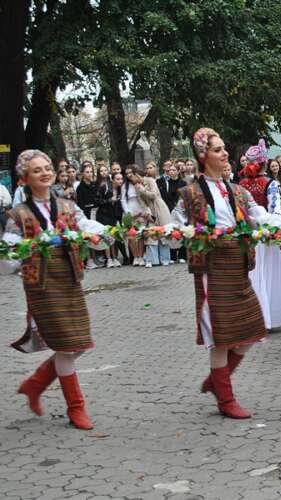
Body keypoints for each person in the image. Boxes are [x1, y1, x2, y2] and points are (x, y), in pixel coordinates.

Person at [171, 128, 274, 419]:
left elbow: (257, 215)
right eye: (218, 150)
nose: (225, 153)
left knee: (252, 331)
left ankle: (218, 381)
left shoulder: (237, 190)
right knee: (221, 336)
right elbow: (176, 227)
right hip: (211, 267)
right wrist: (179, 233)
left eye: (224, 148)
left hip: (238, 265)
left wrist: (279, 223)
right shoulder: (190, 193)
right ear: (203, 156)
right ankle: (226, 399)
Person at [2, 150, 107, 430]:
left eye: (48, 167)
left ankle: (35, 384)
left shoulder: (67, 205)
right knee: (66, 345)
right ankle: (76, 408)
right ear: (25, 178)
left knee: (80, 343)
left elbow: (86, 227)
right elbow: (7, 258)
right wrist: (16, 256)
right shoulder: (19, 213)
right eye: (37, 170)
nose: (45, 173)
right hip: (43, 286)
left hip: (70, 280)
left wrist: (104, 233)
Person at [239, 140, 281, 330]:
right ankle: (269, 317)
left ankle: (252, 315)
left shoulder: (241, 184)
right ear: (264, 163)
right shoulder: (270, 183)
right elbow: (275, 209)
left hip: (248, 234)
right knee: (268, 273)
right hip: (266, 234)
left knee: (252, 274)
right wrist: (276, 228)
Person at [131, 164, 172, 267]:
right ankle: (153, 260)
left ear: (137, 175)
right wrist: (147, 213)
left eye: (132, 176)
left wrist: (142, 190)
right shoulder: (136, 187)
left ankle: (165, 259)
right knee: (150, 234)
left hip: (159, 207)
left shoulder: (149, 180)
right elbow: (142, 203)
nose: (131, 179)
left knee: (162, 232)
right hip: (150, 210)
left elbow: (154, 195)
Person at [121, 164, 152, 266]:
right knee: (132, 235)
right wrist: (128, 212)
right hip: (130, 212)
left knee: (141, 235)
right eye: (127, 173)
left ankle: (141, 256)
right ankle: (135, 257)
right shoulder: (124, 186)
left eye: (131, 173)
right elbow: (123, 200)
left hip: (141, 211)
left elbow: (145, 198)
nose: (129, 175)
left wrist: (143, 211)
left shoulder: (141, 183)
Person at [158, 162, 187, 263]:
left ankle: (183, 254)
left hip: (180, 209)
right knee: (171, 231)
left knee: (181, 230)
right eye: (170, 170)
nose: (171, 172)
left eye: (174, 170)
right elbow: (165, 196)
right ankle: (173, 255)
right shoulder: (167, 182)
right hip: (169, 209)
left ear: (178, 171)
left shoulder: (182, 183)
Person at [94, 164, 121, 267]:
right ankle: (109, 259)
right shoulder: (104, 187)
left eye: (121, 179)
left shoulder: (119, 190)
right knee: (106, 236)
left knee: (114, 236)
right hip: (103, 215)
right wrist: (109, 200)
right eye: (118, 179)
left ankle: (115, 258)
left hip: (113, 215)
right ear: (113, 179)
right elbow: (97, 201)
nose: (120, 181)